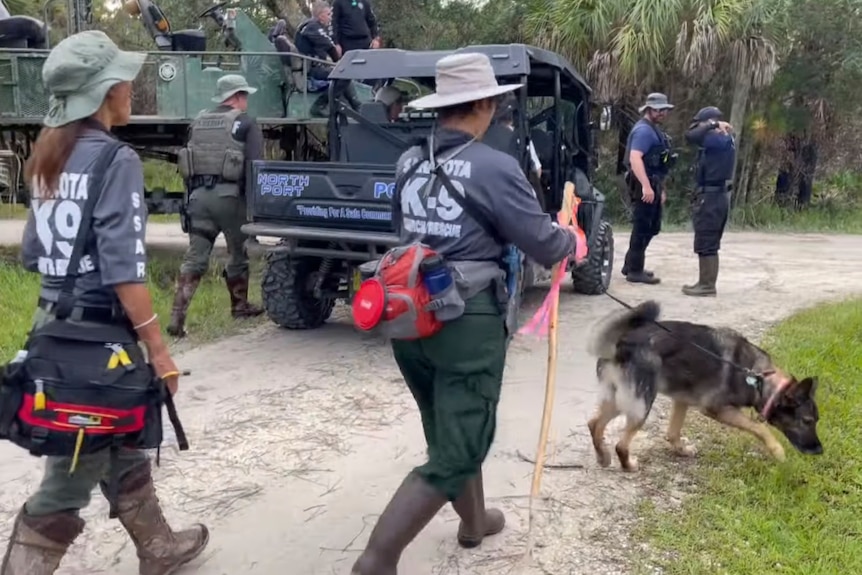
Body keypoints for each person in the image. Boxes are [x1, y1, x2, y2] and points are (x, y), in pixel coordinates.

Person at [350, 52, 579, 574]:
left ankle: (473, 521)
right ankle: (377, 559)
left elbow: (403, 235)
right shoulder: (496, 167)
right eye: (494, 100)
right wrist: (572, 236)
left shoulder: (408, 161)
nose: (497, 107)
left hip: (409, 315)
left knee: (447, 426)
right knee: (459, 445)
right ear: (480, 103)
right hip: (466, 321)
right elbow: (545, 245)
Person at [5, 30, 209, 574]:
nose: (130, 88)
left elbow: (31, 254)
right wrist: (161, 353)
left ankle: (158, 549)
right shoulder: (115, 160)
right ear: (105, 92)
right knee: (68, 479)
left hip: (54, 330)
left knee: (116, 436)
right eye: (124, 80)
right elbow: (125, 269)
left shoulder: (48, 153)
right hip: (98, 342)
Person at [167, 74, 264, 338]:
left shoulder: (197, 123)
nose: (246, 101)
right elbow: (256, 167)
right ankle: (240, 306)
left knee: (195, 258)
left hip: (198, 198)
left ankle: (177, 317)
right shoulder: (246, 123)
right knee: (237, 253)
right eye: (244, 95)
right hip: (230, 199)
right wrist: (256, 206)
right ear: (236, 97)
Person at [621, 92, 676, 285]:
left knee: (651, 227)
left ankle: (631, 264)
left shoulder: (653, 130)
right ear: (649, 110)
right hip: (643, 184)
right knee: (642, 227)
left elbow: (659, 163)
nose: (663, 113)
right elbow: (635, 158)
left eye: (664, 110)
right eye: (659, 110)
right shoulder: (644, 131)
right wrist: (646, 186)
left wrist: (659, 188)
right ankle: (635, 270)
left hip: (653, 182)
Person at [682, 106, 736, 297]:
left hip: (711, 197)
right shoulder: (725, 139)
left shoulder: (714, 137)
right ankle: (705, 282)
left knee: (706, 240)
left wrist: (711, 125)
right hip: (718, 195)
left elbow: (690, 136)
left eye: (701, 124)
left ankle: (707, 285)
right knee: (710, 240)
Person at [295, 0, 361, 116]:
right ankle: (319, 105)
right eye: (328, 14)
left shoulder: (314, 26)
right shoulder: (312, 26)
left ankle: (356, 105)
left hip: (314, 66)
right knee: (343, 75)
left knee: (343, 74)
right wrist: (340, 64)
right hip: (310, 71)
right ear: (320, 16)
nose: (330, 18)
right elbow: (329, 46)